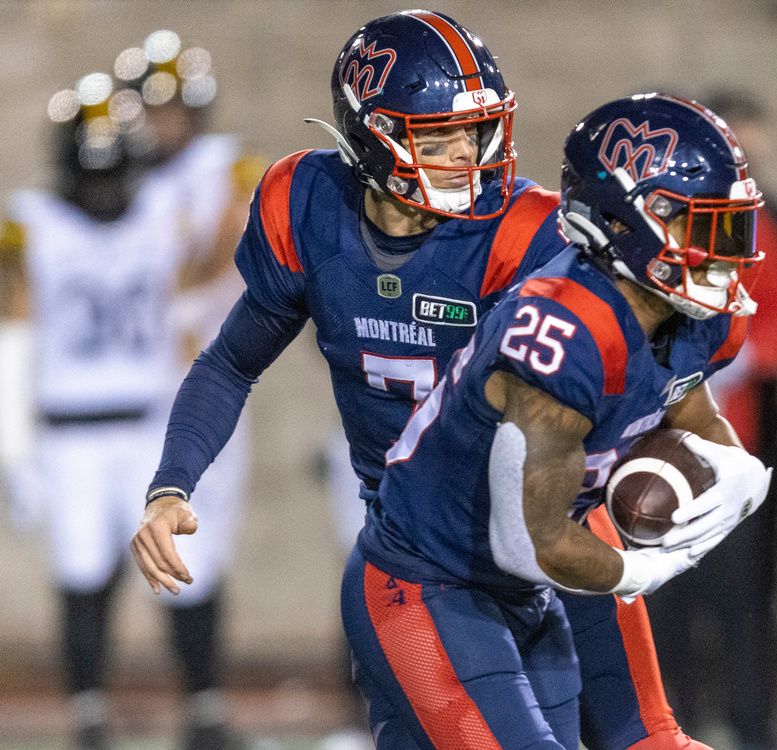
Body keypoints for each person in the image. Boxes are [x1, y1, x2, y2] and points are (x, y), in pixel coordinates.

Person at [130, 11, 706, 749]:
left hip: (550, 546)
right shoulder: (310, 209)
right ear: (371, 140)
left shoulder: (529, 234)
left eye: (477, 131)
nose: (468, 153)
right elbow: (230, 362)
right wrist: (172, 484)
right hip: (425, 563)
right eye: (439, 138)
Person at [337, 93, 772, 747]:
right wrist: (643, 570)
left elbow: (690, 412)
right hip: (434, 582)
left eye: (729, 226)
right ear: (625, 221)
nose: (721, 251)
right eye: (698, 225)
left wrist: (736, 473)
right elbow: (527, 541)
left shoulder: (697, 317)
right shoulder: (563, 329)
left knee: (650, 739)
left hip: (555, 563)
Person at [0, 71, 243, 750]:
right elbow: (14, 331)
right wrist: (15, 450)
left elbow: (214, 264)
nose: (106, 192)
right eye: (93, 177)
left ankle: (203, 709)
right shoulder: (31, 225)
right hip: (71, 435)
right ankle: (88, 716)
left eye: (115, 176)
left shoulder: (167, 208)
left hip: (149, 424)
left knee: (187, 566)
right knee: (82, 574)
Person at [116, 30, 262, 750]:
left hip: (204, 379)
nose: (157, 124)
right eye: (149, 109)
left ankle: (202, 706)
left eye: (168, 109)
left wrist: (173, 298)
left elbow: (228, 247)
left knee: (198, 544)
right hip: (138, 388)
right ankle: (183, 705)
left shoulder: (223, 167)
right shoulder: (125, 176)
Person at [646, 89, 777, 750]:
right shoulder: (653, 218)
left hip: (732, 434)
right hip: (653, 441)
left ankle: (753, 722)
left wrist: (732, 359)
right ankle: (663, 723)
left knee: (742, 596)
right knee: (660, 596)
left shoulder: (767, 224)